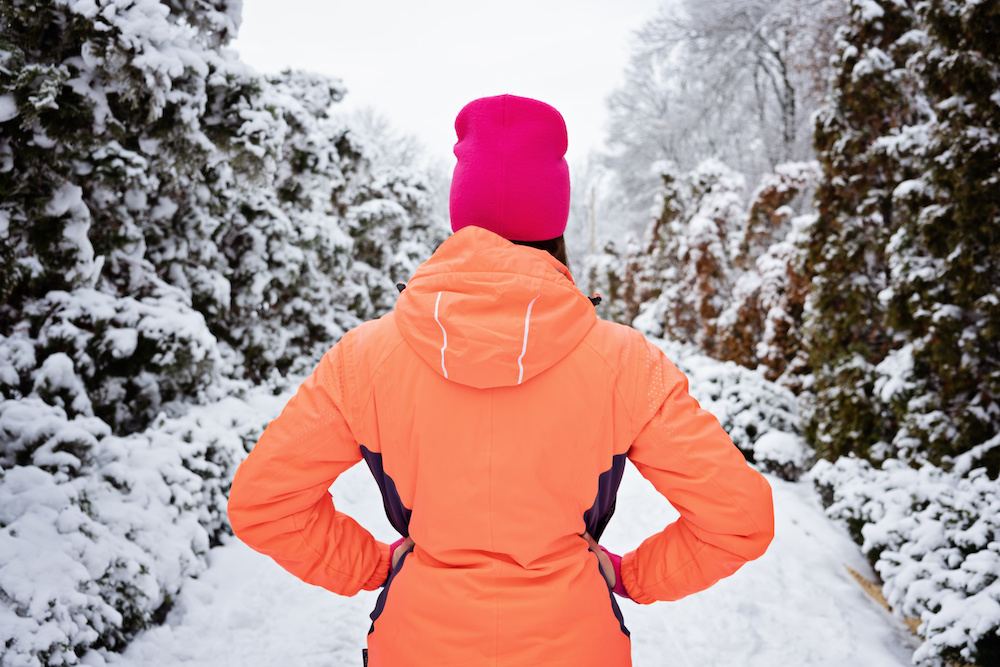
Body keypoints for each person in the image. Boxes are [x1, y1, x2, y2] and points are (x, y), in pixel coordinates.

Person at [227, 94, 774, 667]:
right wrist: (627, 574)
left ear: (461, 214)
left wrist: (372, 565)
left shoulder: (365, 358)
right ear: (556, 221)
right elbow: (738, 519)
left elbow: (266, 504)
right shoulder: (624, 361)